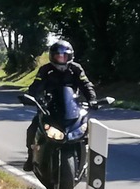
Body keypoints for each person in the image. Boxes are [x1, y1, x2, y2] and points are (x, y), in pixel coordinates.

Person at [22, 40, 97, 171]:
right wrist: (32, 97)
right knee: (33, 128)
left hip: (72, 108)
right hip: (50, 107)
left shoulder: (76, 69)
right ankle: (30, 157)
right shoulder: (45, 70)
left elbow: (86, 85)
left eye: (64, 56)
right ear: (52, 56)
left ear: (70, 56)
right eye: (58, 56)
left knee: (86, 130)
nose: (61, 58)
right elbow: (36, 85)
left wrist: (92, 99)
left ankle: (89, 163)